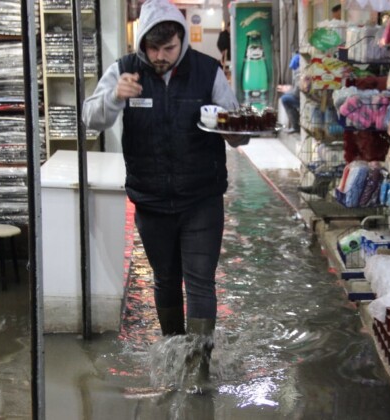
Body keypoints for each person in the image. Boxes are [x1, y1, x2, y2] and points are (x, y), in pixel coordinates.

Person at [82, 0, 247, 393]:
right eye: (152, 49)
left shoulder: (207, 71)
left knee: (201, 282)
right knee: (166, 280)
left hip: (201, 197)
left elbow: (238, 128)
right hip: (151, 198)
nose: (159, 57)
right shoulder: (124, 70)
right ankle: (175, 352)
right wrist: (113, 98)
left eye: (168, 49)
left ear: (181, 41)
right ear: (142, 42)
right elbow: (90, 119)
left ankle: (200, 368)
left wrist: (233, 130)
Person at [278, 52, 300, 133]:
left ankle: (295, 126)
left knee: (285, 99)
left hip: (306, 99)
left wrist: (288, 90)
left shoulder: (299, 72)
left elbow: (297, 93)